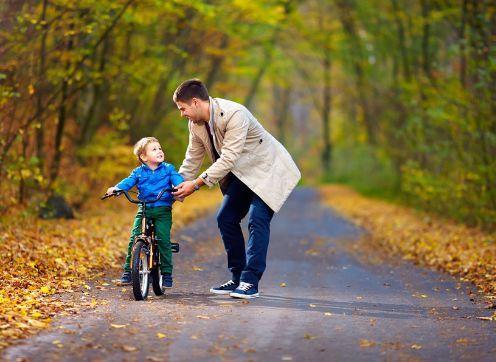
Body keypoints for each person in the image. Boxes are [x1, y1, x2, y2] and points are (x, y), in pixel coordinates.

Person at [172, 79, 301, 299]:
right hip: (243, 174)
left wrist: (196, 185)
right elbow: (192, 159)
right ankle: (238, 277)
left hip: (268, 170)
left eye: (182, 109)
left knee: (256, 219)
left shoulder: (234, 114)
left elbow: (229, 158)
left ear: (195, 102)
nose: (182, 114)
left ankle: (250, 282)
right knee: (226, 218)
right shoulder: (195, 125)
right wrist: (174, 187)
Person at [106, 137, 184, 287]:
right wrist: (117, 188)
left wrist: (180, 186)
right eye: (154, 149)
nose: (159, 151)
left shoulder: (168, 169)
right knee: (134, 238)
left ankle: (166, 273)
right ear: (143, 157)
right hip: (144, 209)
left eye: (160, 148)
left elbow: (177, 179)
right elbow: (128, 182)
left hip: (162, 210)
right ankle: (128, 272)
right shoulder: (138, 172)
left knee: (163, 239)